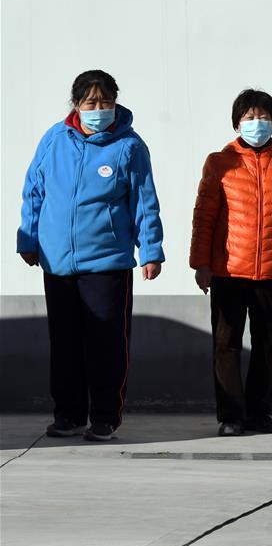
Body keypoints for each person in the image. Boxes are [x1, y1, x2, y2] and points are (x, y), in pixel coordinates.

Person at [17, 70, 165, 441]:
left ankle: (104, 416)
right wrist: (29, 239)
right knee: (64, 343)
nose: (99, 109)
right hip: (57, 262)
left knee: (106, 344)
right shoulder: (55, 138)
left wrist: (151, 250)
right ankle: (68, 415)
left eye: (106, 102)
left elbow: (144, 202)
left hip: (107, 262)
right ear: (76, 105)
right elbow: (34, 190)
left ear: (115, 103)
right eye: (91, 102)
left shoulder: (129, 146)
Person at [190, 89, 272, 437]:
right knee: (225, 345)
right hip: (228, 270)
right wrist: (201, 263)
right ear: (236, 124)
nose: (256, 123)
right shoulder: (219, 163)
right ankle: (231, 416)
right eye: (249, 117)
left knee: (266, 345)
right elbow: (204, 216)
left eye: (263, 117)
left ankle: (259, 414)